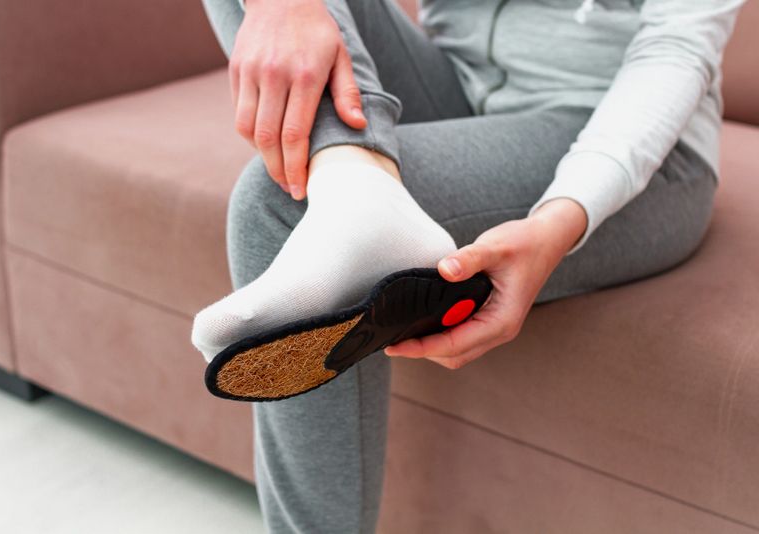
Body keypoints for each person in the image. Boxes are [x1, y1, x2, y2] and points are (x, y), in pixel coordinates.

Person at [190, 0, 744, 531]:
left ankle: (357, 200)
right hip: (457, 84)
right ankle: (352, 181)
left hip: (626, 143)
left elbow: (676, 49)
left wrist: (557, 221)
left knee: (275, 202)